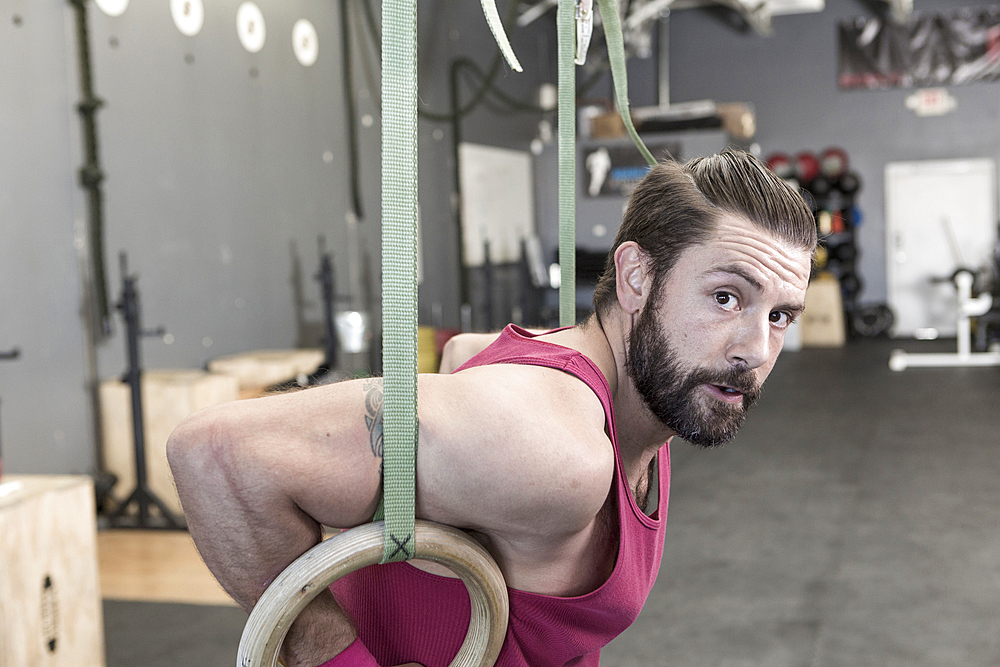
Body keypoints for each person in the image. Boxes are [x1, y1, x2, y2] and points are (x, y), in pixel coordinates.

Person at [167, 148, 817, 667]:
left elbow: (470, 354)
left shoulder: (651, 398)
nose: (754, 349)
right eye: (727, 297)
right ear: (636, 278)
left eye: (780, 315)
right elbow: (220, 454)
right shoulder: (557, 449)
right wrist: (337, 658)